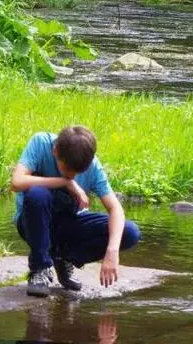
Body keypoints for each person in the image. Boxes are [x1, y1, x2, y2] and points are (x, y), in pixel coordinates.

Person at [10, 125, 141, 297]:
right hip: (32, 222)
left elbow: (116, 209)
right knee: (37, 194)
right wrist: (65, 182)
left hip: (68, 224)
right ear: (55, 151)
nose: (72, 175)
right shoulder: (41, 143)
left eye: (77, 172)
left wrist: (112, 252)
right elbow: (16, 182)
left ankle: (64, 258)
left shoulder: (93, 166)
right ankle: (40, 268)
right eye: (67, 170)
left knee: (129, 232)